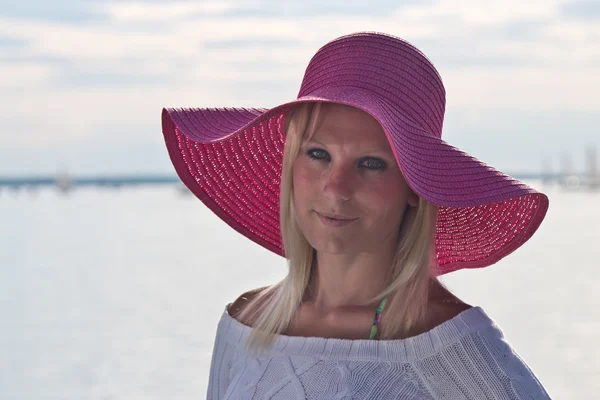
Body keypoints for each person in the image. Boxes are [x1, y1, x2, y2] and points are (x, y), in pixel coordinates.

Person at [161, 32, 551, 399]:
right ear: (291, 167)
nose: (336, 187)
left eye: (370, 163)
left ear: (414, 187)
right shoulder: (243, 325)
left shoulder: (450, 347)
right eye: (318, 154)